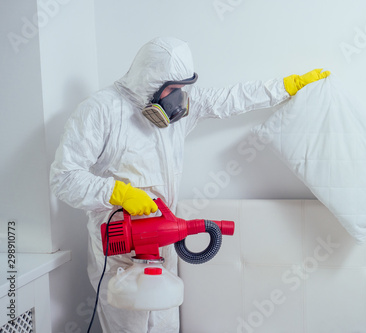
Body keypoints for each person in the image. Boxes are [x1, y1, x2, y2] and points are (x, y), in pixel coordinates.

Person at [50, 36, 329, 333]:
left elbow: (231, 99)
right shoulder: (100, 111)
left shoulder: (177, 115)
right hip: (120, 256)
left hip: (162, 250)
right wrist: (117, 192)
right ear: (150, 81)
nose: (179, 98)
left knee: (166, 326)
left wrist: (287, 87)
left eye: (184, 88)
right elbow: (63, 177)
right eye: (174, 88)